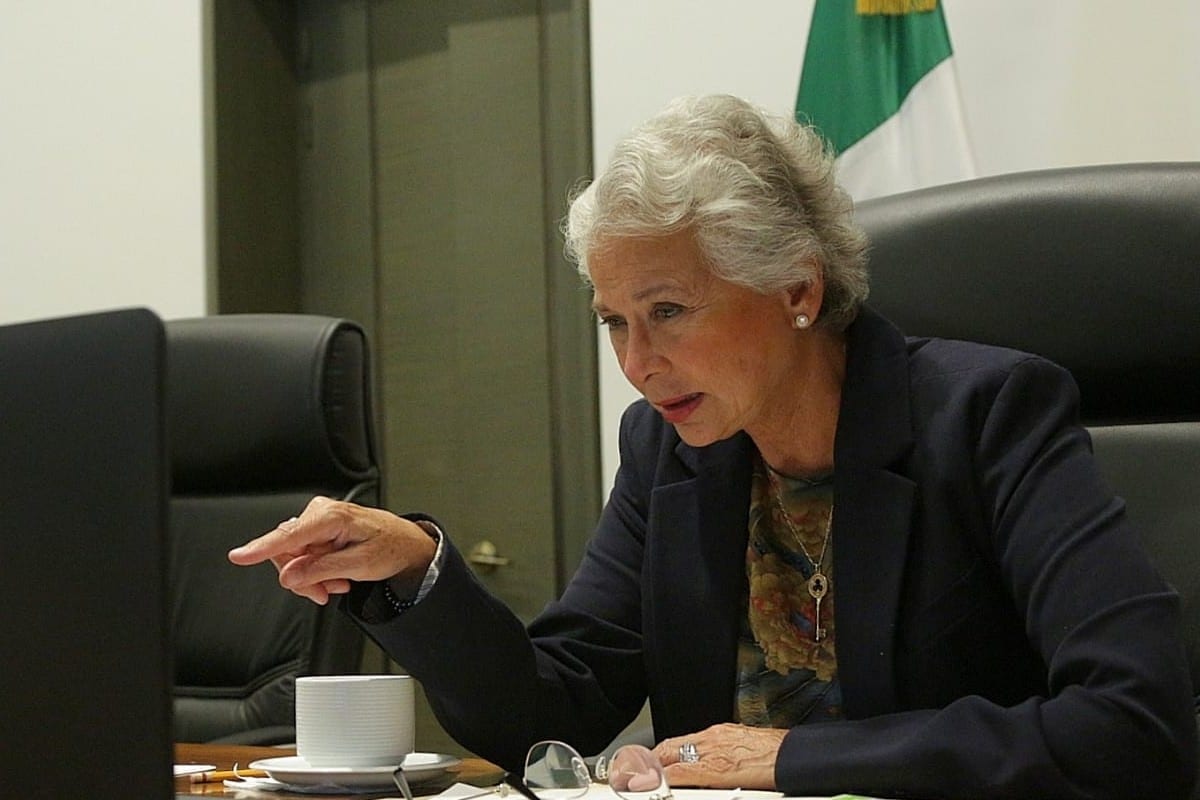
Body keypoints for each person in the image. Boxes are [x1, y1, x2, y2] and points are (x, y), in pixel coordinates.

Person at [229, 94, 1196, 799]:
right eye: (614, 321)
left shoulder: (988, 416)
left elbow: (1131, 724)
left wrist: (790, 757)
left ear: (798, 290)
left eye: (670, 311)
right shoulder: (672, 448)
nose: (638, 363)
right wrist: (416, 572)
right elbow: (553, 717)